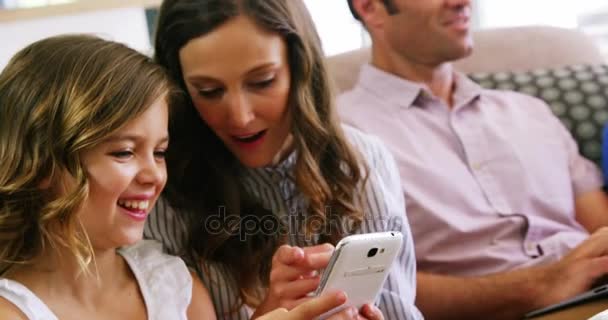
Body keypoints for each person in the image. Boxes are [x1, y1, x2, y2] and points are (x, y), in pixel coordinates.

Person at [145, 0, 423, 319]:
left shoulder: (361, 160)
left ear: (301, 68)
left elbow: (399, 309)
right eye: (208, 91)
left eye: (262, 82)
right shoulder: (158, 189)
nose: (241, 117)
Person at [341, 0, 608, 319]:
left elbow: (599, 226)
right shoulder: (341, 134)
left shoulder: (529, 110)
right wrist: (539, 285)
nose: (462, 2)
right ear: (371, 8)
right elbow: (372, 285)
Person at [0, 34, 214, 319]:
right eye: (125, 153)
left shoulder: (177, 289)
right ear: (41, 164)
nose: (154, 175)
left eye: (159, 152)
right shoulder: (12, 311)